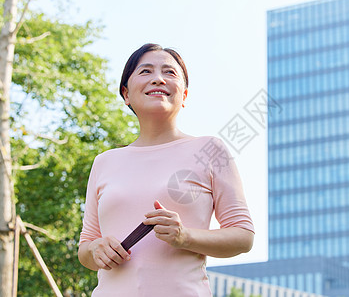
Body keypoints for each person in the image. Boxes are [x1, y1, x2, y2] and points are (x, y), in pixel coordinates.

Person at [78, 43, 255, 296]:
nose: (158, 79)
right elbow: (85, 248)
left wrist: (184, 237)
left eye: (170, 73)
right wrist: (96, 249)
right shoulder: (104, 161)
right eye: (146, 71)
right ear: (126, 94)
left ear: (183, 96)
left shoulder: (210, 149)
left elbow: (243, 236)